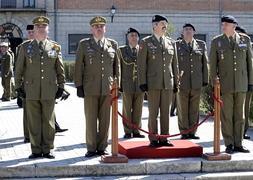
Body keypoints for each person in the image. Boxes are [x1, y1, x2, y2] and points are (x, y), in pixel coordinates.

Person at [15, 16, 65, 159]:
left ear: (47, 30)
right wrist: (18, 87)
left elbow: (59, 68)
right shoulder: (25, 47)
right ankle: (36, 149)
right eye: (38, 27)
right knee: (34, 121)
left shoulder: (54, 47)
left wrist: (61, 86)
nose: (41, 29)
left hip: (49, 89)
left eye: (44, 27)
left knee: (48, 121)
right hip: (31, 89)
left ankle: (48, 149)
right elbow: (19, 69)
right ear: (34, 30)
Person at [74, 16, 119, 157]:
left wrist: (117, 86)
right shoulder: (84, 44)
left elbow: (116, 67)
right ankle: (91, 147)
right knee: (91, 119)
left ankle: (102, 147)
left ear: (105, 28)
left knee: (105, 120)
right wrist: (79, 86)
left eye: (101, 26)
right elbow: (78, 66)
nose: (99, 28)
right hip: (90, 87)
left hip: (107, 88)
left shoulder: (112, 44)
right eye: (96, 26)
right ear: (91, 29)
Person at [210, 15, 253, 154]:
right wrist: (214, 82)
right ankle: (229, 143)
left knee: (240, 115)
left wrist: (251, 82)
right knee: (227, 115)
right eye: (223, 25)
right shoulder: (217, 41)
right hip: (225, 84)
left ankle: (239, 143)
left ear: (233, 26)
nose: (223, 27)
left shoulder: (245, 40)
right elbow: (213, 64)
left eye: (226, 25)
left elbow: (249, 63)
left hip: (241, 83)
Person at [138, 15, 179, 147]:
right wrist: (142, 82)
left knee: (166, 113)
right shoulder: (146, 42)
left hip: (168, 83)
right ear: (154, 25)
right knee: (153, 112)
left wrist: (176, 83)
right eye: (162, 23)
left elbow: (175, 65)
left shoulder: (171, 42)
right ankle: (154, 138)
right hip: (153, 83)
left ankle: (164, 138)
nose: (165, 26)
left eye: (166, 23)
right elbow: (141, 64)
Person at [176, 23, 208, 139]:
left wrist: (205, 79)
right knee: (182, 108)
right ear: (182, 32)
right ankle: (184, 132)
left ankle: (192, 132)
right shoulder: (176, 45)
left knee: (194, 109)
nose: (188, 31)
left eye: (190, 29)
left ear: (194, 32)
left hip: (196, 81)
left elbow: (205, 63)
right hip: (182, 82)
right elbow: (173, 64)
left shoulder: (201, 44)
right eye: (186, 29)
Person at [119, 27, 145, 139]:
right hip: (127, 84)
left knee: (138, 109)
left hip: (140, 84)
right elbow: (118, 67)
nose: (134, 37)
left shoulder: (143, 50)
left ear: (139, 38)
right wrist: (119, 84)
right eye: (131, 35)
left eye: (135, 35)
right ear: (127, 38)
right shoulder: (121, 50)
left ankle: (137, 130)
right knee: (127, 109)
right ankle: (127, 131)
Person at [235, 25, 251, 140]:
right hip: (237, 82)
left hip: (248, 82)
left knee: (244, 109)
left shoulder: (248, 46)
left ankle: (243, 131)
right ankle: (234, 133)